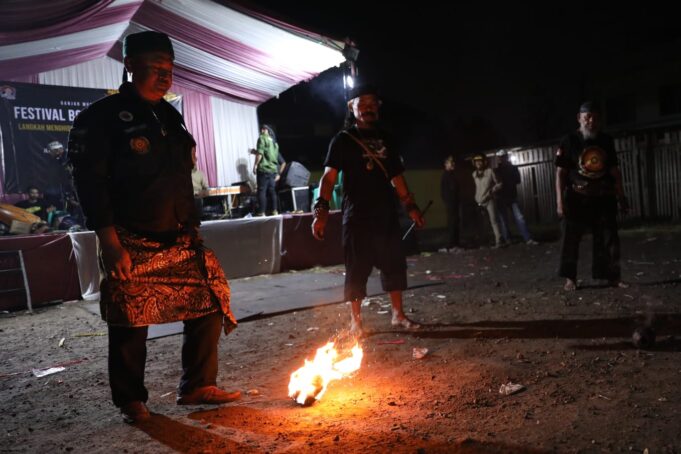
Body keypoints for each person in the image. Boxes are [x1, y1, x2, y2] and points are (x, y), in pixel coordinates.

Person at [68, 31, 239, 424]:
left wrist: (191, 228)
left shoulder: (168, 114)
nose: (165, 75)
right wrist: (109, 242)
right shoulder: (101, 118)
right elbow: (89, 184)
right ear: (129, 65)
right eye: (155, 67)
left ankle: (197, 385)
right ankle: (131, 401)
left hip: (179, 236)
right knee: (131, 318)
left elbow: (179, 175)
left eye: (169, 67)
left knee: (210, 299)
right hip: (129, 236)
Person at [311, 84, 424, 336]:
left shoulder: (388, 140)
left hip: (386, 214)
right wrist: (321, 211)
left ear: (378, 108)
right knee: (356, 268)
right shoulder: (343, 140)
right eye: (362, 104)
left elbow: (397, 176)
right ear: (352, 108)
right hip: (356, 216)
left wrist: (411, 206)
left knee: (394, 264)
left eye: (373, 103)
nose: (368, 108)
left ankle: (398, 315)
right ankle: (356, 322)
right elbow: (328, 178)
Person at [555, 101, 629, 291]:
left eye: (595, 117)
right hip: (576, 197)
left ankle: (612, 277)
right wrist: (559, 202)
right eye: (587, 117)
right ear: (579, 118)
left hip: (603, 196)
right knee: (570, 239)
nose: (591, 121)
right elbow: (560, 173)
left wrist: (621, 195)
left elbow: (614, 170)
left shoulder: (606, 141)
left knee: (609, 238)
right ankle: (570, 278)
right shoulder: (569, 140)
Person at [494, 150, 538, 245]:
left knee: (519, 217)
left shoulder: (513, 168)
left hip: (511, 196)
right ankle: (507, 239)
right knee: (503, 220)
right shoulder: (496, 170)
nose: (501, 158)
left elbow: (518, 180)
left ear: (506, 157)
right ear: (498, 158)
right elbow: (495, 183)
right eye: (500, 157)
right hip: (501, 197)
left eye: (503, 156)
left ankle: (527, 238)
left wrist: (507, 182)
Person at [472, 154, 504, 248]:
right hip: (479, 201)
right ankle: (485, 242)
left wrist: (491, 191)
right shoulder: (474, 174)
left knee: (493, 221)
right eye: (476, 161)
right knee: (482, 223)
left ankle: (499, 241)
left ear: (484, 162)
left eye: (480, 161)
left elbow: (500, 184)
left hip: (489, 200)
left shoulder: (490, 171)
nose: (478, 163)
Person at [253, 124, 285, 216]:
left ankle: (261, 212)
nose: (261, 131)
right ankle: (275, 211)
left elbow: (260, 154)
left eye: (263, 129)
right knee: (272, 191)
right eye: (261, 129)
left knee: (261, 190)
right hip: (272, 171)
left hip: (263, 169)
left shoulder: (262, 138)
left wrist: (255, 165)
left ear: (267, 131)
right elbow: (270, 155)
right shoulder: (275, 143)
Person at [439, 155, 461, 252]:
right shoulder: (446, 175)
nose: (453, 164)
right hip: (451, 203)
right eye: (450, 162)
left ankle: (455, 242)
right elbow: (443, 191)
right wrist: (448, 201)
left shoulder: (452, 174)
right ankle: (451, 243)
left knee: (456, 222)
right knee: (452, 222)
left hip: (455, 202)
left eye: (453, 162)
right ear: (445, 164)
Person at [191, 147, 209, 219]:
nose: (193, 162)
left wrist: (201, 194)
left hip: (197, 197)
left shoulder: (200, 174)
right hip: (186, 198)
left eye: (194, 160)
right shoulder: (183, 174)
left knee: (197, 201)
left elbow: (206, 189)